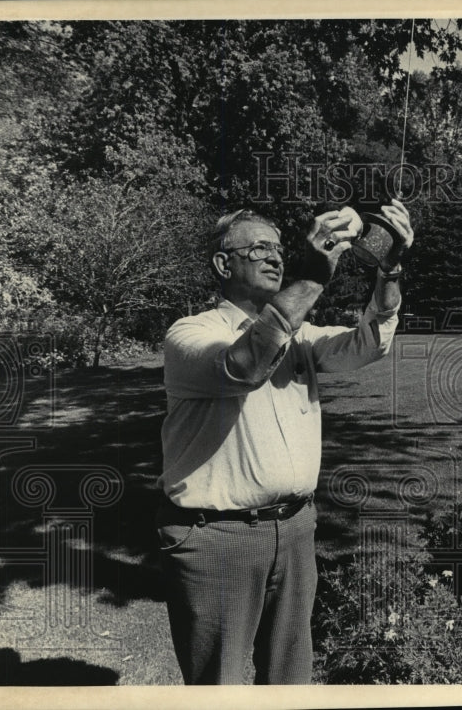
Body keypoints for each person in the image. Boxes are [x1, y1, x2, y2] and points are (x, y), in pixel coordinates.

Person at [155, 200, 414, 684]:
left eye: (278, 249)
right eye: (258, 249)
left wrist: (390, 267)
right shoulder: (190, 334)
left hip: (295, 531)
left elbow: (370, 344)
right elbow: (245, 365)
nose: (276, 257)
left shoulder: (303, 337)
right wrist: (314, 278)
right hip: (216, 538)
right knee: (220, 687)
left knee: (290, 680)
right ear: (222, 264)